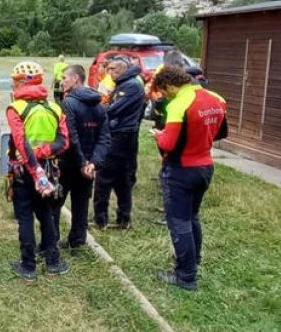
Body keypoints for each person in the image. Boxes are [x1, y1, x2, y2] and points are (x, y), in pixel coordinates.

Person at [151, 65, 228, 292]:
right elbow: (221, 133)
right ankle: (193, 261)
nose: (164, 96)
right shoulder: (216, 98)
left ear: (171, 85)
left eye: (164, 91)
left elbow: (168, 144)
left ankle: (186, 277)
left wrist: (159, 135)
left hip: (180, 170)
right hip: (205, 166)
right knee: (193, 217)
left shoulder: (178, 104)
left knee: (179, 222)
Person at [5, 60, 70, 281]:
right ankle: (53, 263)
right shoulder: (55, 108)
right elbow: (63, 142)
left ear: (22, 82)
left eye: (15, 82)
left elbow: (20, 143)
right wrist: (42, 155)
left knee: (25, 217)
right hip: (49, 169)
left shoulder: (16, 109)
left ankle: (28, 267)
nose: (13, 86)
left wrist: (36, 172)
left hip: (26, 171)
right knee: (46, 215)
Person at [56, 64, 111, 250]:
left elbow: (71, 136)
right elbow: (104, 138)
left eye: (65, 77)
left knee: (56, 202)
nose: (62, 81)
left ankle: (51, 240)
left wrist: (82, 163)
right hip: (88, 167)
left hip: (69, 163)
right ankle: (78, 241)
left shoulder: (68, 103)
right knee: (81, 203)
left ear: (75, 79)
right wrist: (93, 164)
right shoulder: (100, 104)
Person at [95, 55, 145, 230]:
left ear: (123, 69)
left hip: (121, 136)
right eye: (108, 69)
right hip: (124, 134)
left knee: (105, 176)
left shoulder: (131, 86)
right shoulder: (125, 84)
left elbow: (114, 109)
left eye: (113, 69)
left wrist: (97, 110)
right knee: (122, 178)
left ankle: (101, 219)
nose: (110, 72)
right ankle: (122, 219)